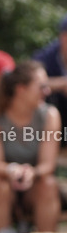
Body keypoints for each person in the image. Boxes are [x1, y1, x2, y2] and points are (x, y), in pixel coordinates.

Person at [0, 61, 61, 233]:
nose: (47, 91)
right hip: (0, 184)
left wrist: (32, 173)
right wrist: (12, 170)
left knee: (48, 185)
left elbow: (47, 165)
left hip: (35, 185)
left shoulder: (50, 115)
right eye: (41, 87)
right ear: (21, 89)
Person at [32, 14, 67, 146]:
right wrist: (62, 84)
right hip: (53, 114)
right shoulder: (46, 57)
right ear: (63, 37)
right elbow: (29, 83)